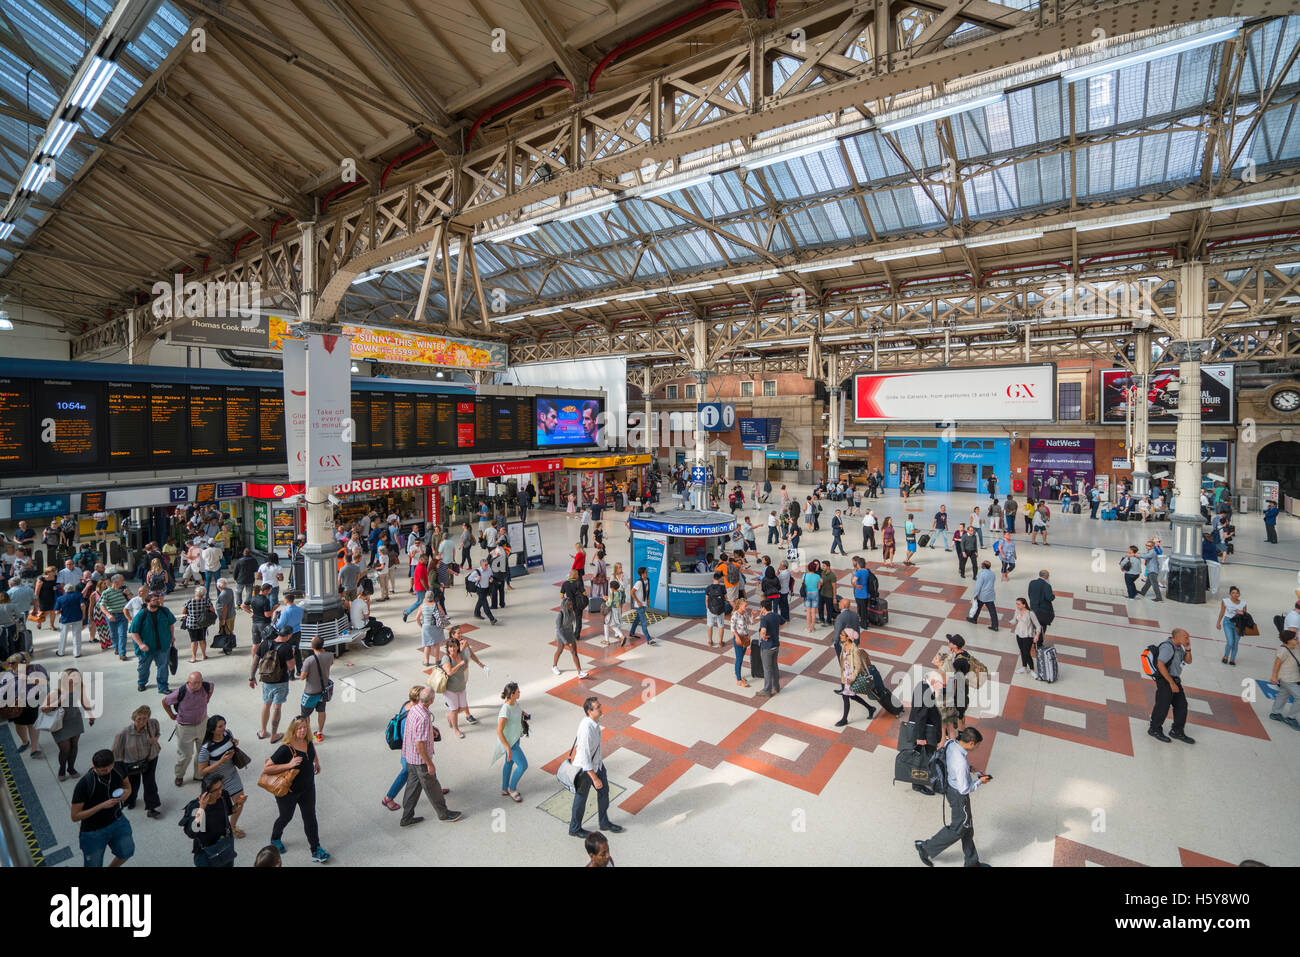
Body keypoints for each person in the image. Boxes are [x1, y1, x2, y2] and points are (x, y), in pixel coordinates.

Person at [914, 727, 992, 868]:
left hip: (951, 788)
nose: (978, 748)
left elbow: (950, 762)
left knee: (967, 827)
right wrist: (981, 781)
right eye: (978, 745)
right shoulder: (961, 763)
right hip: (958, 796)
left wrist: (969, 768)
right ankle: (925, 847)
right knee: (958, 829)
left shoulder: (951, 743)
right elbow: (964, 789)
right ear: (971, 743)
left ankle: (972, 862)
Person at [263, 717, 330, 861]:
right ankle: (275, 838)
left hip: (308, 788)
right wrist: (290, 764)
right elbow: (267, 768)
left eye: (305, 727)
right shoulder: (286, 748)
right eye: (299, 728)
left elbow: (312, 749)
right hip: (288, 792)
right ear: (293, 730)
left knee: (310, 817)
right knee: (286, 817)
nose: (303, 730)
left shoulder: (308, 740)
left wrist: (316, 762)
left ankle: (315, 849)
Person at [399, 688, 463, 827]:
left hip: (410, 757)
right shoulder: (423, 717)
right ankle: (444, 814)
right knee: (433, 787)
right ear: (432, 700)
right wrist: (429, 763)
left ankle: (406, 817)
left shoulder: (414, 709)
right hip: (420, 760)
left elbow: (414, 733)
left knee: (412, 787)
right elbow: (419, 744)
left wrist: (430, 731)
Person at [567, 697, 625, 838]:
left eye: (600, 705)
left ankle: (604, 822)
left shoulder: (594, 722)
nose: (601, 708)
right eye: (598, 707)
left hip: (597, 764)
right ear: (589, 711)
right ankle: (574, 828)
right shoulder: (587, 729)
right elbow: (585, 756)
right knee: (580, 800)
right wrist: (594, 778)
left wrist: (599, 769)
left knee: (604, 792)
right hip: (585, 770)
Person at [71, 749, 134, 867]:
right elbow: (75, 816)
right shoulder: (85, 784)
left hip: (118, 821)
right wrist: (101, 806)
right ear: (94, 766)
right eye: (102, 770)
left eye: (109, 768)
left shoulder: (119, 768)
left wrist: (127, 793)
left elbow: (127, 785)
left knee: (127, 852)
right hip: (93, 831)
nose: (107, 772)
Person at [195, 715, 247, 839]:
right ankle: (212, 831)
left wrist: (235, 742)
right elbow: (201, 772)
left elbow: (231, 746)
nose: (224, 728)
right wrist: (220, 761)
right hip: (215, 782)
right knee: (216, 810)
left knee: (240, 801)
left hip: (231, 775)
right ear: (212, 730)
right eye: (220, 726)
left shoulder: (228, 734)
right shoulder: (206, 748)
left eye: (224, 725)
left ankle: (232, 827)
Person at [163, 671, 214, 787]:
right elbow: (165, 702)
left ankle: (199, 774)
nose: (197, 685)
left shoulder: (206, 686)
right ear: (188, 683)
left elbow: (211, 687)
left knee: (203, 752)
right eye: (194, 683)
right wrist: (171, 715)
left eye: (199, 682)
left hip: (202, 724)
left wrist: (207, 699)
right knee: (185, 755)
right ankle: (179, 775)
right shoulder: (180, 692)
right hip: (185, 728)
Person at [111, 705, 162, 819]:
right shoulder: (124, 734)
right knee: (133, 783)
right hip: (132, 762)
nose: (142, 722)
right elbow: (116, 752)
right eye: (139, 719)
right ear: (134, 719)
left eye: (145, 719)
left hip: (150, 758)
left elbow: (158, 732)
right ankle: (130, 800)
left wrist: (155, 739)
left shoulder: (153, 723)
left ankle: (151, 807)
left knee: (150, 782)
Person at [44, 667, 94, 780]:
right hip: (59, 723)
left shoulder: (80, 687)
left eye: (77, 675)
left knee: (74, 746)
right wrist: (61, 699)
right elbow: (44, 709)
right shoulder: (56, 691)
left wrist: (91, 715)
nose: (76, 677)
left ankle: (71, 768)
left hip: (75, 720)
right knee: (65, 749)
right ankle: (62, 768)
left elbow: (84, 701)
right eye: (73, 675)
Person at [1148, 628, 1195, 744]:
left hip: (1174, 679)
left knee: (1182, 705)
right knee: (1162, 706)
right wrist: (1171, 683)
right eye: (1186, 637)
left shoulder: (1179, 647)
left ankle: (1177, 731)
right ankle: (1154, 729)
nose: (1188, 639)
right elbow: (1160, 664)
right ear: (1177, 637)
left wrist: (1188, 649)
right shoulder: (1167, 647)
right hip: (1166, 680)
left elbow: (1189, 661)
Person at [181, 773, 237, 867]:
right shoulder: (196, 807)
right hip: (206, 853)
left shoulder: (222, 796)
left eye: (221, 787)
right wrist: (202, 808)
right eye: (216, 790)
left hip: (224, 846)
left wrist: (238, 805)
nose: (220, 791)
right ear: (206, 792)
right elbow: (192, 832)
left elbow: (228, 811)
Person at [251, 625, 295, 742]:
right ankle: (274, 735)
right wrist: (292, 654)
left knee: (266, 704)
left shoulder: (265, 643)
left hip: (266, 680)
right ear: (289, 635)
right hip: (281, 682)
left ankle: (263, 731)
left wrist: (251, 678)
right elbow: (291, 667)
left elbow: (255, 661)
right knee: (277, 707)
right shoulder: (286, 648)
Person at [130, 591, 176, 694]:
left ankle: (163, 687)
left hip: (163, 645)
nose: (157, 601)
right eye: (154, 600)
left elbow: (171, 624)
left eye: (158, 599)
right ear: (147, 602)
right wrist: (140, 644)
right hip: (147, 647)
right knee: (143, 667)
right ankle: (142, 683)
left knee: (163, 666)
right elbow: (133, 632)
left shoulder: (164, 611)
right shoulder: (141, 614)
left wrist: (172, 636)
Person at [440, 634, 485, 737]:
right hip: (450, 689)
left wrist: (464, 663)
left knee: (462, 707)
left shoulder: (462, 655)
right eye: (450, 646)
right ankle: (456, 729)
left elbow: (465, 667)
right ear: (447, 648)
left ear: (458, 647)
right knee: (455, 710)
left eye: (454, 646)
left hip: (461, 687)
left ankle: (450, 716)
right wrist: (459, 664)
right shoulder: (446, 658)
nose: (452, 648)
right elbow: (449, 672)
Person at [492, 682, 529, 802]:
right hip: (511, 743)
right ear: (512, 694)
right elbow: (499, 731)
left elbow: (518, 710)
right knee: (523, 765)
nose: (520, 693)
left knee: (509, 764)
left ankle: (504, 788)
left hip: (515, 739)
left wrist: (524, 714)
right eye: (518, 691)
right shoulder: (505, 710)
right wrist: (508, 747)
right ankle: (512, 789)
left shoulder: (514, 702)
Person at [299, 636, 334, 742]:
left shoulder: (308, 660)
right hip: (323, 690)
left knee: (305, 715)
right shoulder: (329, 656)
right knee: (321, 711)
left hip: (310, 692)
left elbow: (302, 677)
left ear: (311, 646)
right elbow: (330, 664)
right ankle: (319, 733)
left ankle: (307, 734)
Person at [1268, 629, 1300, 729]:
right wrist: (1274, 676)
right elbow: (1277, 664)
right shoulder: (1283, 650)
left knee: (1283, 695)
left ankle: (1275, 713)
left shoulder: (1294, 647)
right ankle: (1291, 718)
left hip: (1293, 678)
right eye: (1295, 638)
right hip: (1287, 679)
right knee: (1299, 697)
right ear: (1288, 640)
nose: (1297, 639)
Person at [1214, 585, 1248, 667]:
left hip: (1238, 625)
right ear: (1230, 594)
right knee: (1230, 642)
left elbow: (1246, 615)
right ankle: (1226, 656)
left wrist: (1241, 613)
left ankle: (1232, 659)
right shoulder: (1225, 601)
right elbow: (1222, 612)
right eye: (1233, 593)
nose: (1235, 594)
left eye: (1237, 593)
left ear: (1239, 594)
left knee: (1235, 643)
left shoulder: (1243, 603)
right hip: (1228, 622)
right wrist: (1218, 622)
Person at [729, 596, 758, 688]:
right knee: (739, 658)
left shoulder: (745, 613)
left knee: (740, 657)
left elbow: (751, 622)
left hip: (745, 638)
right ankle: (739, 680)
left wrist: (753, 615)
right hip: (739, 638)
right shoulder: (735, 615)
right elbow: (732, 628)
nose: (747, 607)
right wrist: (737, 637)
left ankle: (737, 674)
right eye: (745, 606)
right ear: (740, 606)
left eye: (747, 606)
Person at [182, 586, 215, 663]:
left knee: (194, 641)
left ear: (195, 593)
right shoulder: (206, 601)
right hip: (203, 623)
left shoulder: (189, 601)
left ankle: (193, 657)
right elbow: (212, 610)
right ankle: (203, 655)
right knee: (202, 639)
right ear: (204, 593)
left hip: (192, 624)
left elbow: (183, 612)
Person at [1010, 598, 1042, 675]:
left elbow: (1038, 626)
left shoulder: (1030, 613)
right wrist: (1011, 622)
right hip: (1019, 634)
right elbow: (1014, 620)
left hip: (1028, 635)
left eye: (1019, 604)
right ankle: (1024, 667)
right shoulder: (1017, 611)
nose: (1017, 606)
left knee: (1026, 652)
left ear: (1024, 605)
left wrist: (1037, 636)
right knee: (1022, 651)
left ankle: (1032, 670)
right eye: (1016, 604)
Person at [758, 598, 782, 697]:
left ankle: (767, 690)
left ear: (763, 608)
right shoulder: (776, 615)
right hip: (776, 645)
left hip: (767, 647)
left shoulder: (765, 619)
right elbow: (784, 623)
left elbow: (763, 631)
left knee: (767, 669)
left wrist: (763, 636)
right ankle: (776, 687)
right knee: (775, 666)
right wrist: (776, 630)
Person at [54, 583, 86, 658]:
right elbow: (82, 605)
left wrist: (61, 611)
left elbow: (56, 611)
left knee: (63, 636)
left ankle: (61, 652)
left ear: (65, 590)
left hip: (65, 619)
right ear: (73, 589)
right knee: (77, 635)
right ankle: (76, 653)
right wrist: (83, 614)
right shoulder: (79, 595)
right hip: (77, 617)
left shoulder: (60, 598)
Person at [966, 561, 999, 631]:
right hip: (990, 594)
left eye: (982, 563)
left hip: (982, 594)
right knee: (992, 611)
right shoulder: (992, 574)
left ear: (983, 566)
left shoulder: (981, 574)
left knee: (978, 607)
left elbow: (978, 585)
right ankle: (995, 625)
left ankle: (974, 619)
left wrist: (975, 595)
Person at [1027, 569, 1055, 647]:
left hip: (1033, 608)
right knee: (1042, 627)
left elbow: (1029, 594)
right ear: (1046, 576)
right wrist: (1053, 595)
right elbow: (1050, 598)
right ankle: (1039, 644)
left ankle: (1032, 641)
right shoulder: (1047, 585)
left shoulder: (1032, 582)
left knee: (1033, 626)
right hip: (1043, 611)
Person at [629, 566, 655, 646]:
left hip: (644, 603)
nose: (647, 573)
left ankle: (631, 633)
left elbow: (647, 591)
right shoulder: (639, 583)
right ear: (642, 574)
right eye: (646, 572)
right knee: (644, 622)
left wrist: (648, 599)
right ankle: (649, 639)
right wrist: (637, 601)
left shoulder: (647, 580)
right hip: (639, 604)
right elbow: (631, 592)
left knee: (637, 619)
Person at [705, 571, 728, 648]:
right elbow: (726, 598)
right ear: (720, 579)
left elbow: (706, 599)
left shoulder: (708, 588)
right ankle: (720, 642)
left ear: (713, 578)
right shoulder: (722, 588)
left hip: (711, 609)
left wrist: (707, 607)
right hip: (720, 610)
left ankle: (710, 641)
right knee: (721, 626)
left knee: (710, 625)